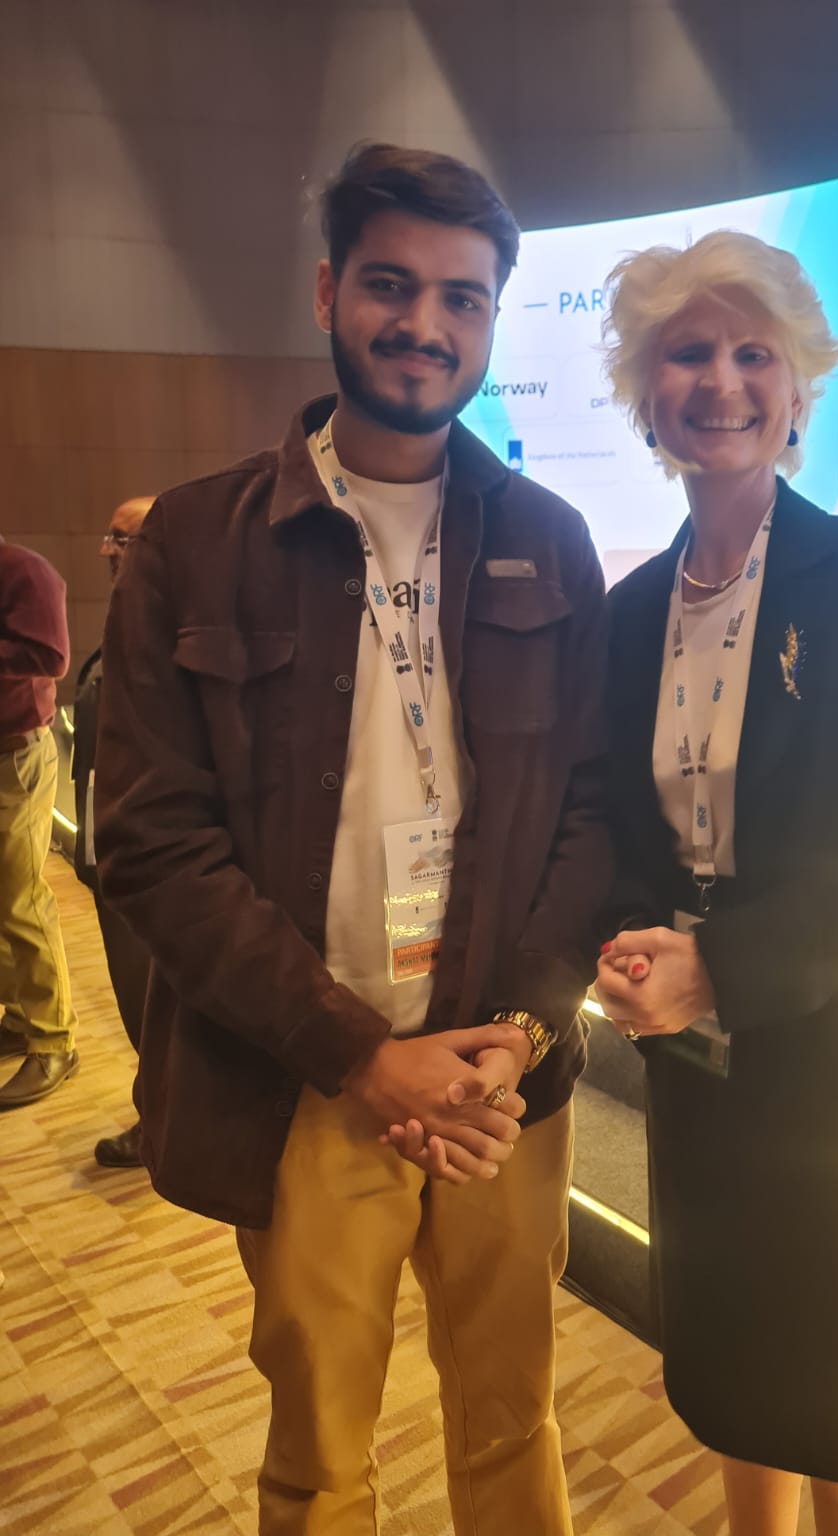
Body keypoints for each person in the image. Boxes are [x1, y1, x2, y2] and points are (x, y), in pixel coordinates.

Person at [95, 144, 609, 1536]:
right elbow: (151, 844)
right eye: (391, 284)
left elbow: (589, 808)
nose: (424, 325)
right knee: (322, 1453)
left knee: (512, 1418)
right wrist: (357, 1055)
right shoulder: (199, 542)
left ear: (494, 321)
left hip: (503, 1083)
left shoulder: (553, 541)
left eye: (463, 297)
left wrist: (520, 1026)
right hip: (314, 1074)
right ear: (330, 291)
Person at [594, 231, 838, 1536]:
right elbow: (622, 834)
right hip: (701, 1073)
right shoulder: (633, 608)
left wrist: (727, 967)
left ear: (799, 385)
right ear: (649, 392)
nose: (721, 380)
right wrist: (633, 949)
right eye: (688, 352)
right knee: (733, 1390)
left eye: (752, 352)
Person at [72, 497, 155, 1166]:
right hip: (111, 854)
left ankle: (166, 1122)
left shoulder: (176, 624)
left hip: (153, 865)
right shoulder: (127, 618)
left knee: (156, 1003)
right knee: (137, 998)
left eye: (121, 538)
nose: (106, 550)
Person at [0, 534, 79, 1109]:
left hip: (17, 756)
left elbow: (51, 656)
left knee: (21, 899)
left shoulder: (26, 571)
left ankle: (55, 1042)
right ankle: (22, 1013)